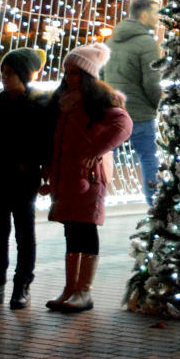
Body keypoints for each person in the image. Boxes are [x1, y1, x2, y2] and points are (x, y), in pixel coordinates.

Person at [42, 44, 132, 313]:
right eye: (67, 72)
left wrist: (96, 150)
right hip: (67, 176)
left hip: (88, 178)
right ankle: (71, 288)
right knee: (72, 229)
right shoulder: (64, 101)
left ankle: (84, 290)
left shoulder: (99, 101)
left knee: (85, 228)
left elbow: (123, 125)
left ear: (88, 75)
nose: (70, 77)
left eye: (76, 72)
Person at [0, 48, 56, 310]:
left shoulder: (40, 104)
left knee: (24, 232)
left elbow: (45, 143)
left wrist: (30, 162)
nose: (5, 78)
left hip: (23, 176)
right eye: (3, 73)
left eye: (10, 73)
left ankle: (22, 285)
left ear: (24, 74)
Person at [102, 0, 166, 206]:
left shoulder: (111, 41)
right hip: (140, 114)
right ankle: (154, 204)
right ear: (144, 15)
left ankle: (95, 199)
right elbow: (151, 81)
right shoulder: (146, 43)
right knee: (148, 157)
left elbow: (101, 75)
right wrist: (157, 105)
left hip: (114, 112)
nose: (158, 18)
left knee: (105, 156)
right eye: (155, 13)